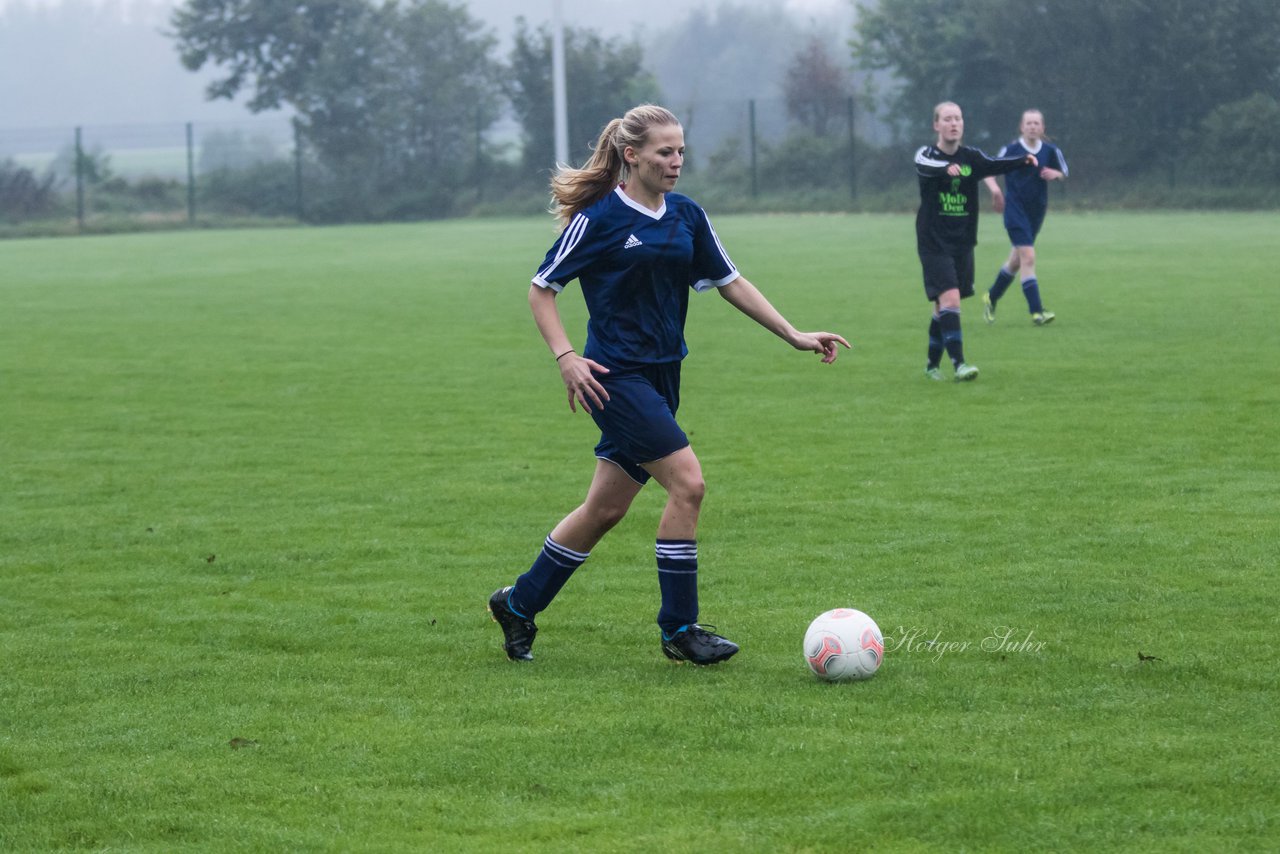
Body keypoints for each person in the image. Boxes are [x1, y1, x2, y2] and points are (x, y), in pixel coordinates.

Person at [488, 104, 850, 666]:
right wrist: (567, 357)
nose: (676, 161)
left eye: (681, 151)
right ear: (631, 155)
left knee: (604, 510)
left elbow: (730, 281)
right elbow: (542, 289)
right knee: (689, 484)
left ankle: (518, 603)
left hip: (663, 375)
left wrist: (793, 333)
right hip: (615, 379)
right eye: (665, 152)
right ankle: (679, 628)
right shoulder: (599, 218)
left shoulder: (686, 215)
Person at [914, 101, 1036, 381]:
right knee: (951, 298)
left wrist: (1022, 161)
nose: (954, 123)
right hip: (934, 242)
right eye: (947, 119)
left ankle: (932, 365)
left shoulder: (971, 157)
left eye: (958, 118)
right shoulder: (926, 155)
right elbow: (926, 166)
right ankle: (960, 364)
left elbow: (993, 164)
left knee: (942, 306)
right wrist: (946, 169)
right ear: (937, 125)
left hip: (962, 241)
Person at [981, 108, 1069, 325]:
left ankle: (991, 297)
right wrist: (995, 191)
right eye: (1028, 123)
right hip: (1014, 211)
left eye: (1036, 123)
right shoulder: (1011, 149)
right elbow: (988, 171)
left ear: (1042, 128)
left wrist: (1056, 174)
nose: (1032, 127)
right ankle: (1037, 312)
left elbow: (1064, 172)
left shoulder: (1050, 150)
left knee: (1016, 261)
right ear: (1021, 127)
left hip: (1036, 212)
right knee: (1028, 257)